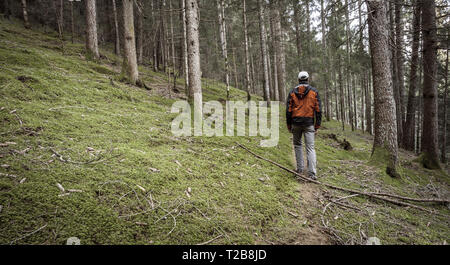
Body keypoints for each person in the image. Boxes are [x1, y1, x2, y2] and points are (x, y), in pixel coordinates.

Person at [286, 71, 322, 179]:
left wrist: (289, 125)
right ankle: (312, 174)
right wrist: (317, 126)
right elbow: (318, 110)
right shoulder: (314, 92)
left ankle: (300, 170)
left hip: (296, 123)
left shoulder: (292, 92)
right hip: (308, 123)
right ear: (308, 79)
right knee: (310, 148)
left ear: (298, 80)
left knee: (297, 145)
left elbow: (288, 110)